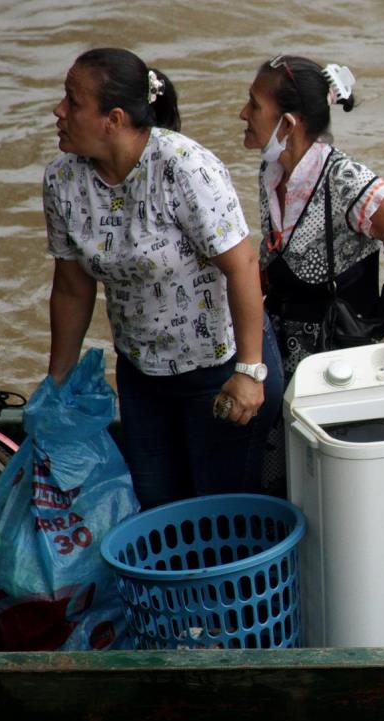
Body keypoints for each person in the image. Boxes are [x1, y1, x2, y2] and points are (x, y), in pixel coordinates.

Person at [44, 48, 282, 509]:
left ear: (113, 119)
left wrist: (250, 371)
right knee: (157, 508)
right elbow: (73, 289)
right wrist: (57, 385)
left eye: (72, 101)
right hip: (142, 375)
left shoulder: (184, 167)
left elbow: (243, 265)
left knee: (219, 517)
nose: (59, 111)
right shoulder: (62, 181)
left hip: (220, 370)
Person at [239, 54, 384, 383]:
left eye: (254, 104)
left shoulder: (345, 181)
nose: (243, 113)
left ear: (288, 124)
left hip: (338, 369)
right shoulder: (271, 169)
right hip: (280, 358)